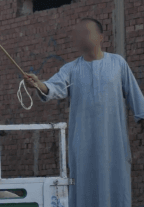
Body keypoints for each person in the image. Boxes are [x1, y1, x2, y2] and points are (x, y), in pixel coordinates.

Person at [25, 17, 144, 207]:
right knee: (84, 192)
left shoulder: (118, 64)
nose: (81, 37)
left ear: (101, 38)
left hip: (114, 145)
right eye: (78, 34)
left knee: (117, 191)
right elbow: (52, 87)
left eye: (87, 32)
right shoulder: (71, 69)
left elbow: (136, 99)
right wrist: (38, 84)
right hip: (83, 147)